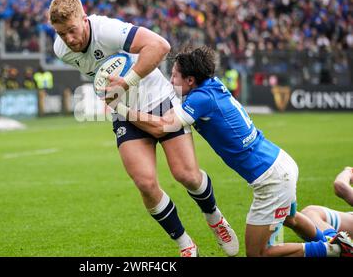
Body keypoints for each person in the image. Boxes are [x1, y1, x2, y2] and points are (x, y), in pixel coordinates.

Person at [111, 46, 353, 257]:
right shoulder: (212, 86)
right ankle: (334, 238)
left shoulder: (200, 100)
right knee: (290, 218)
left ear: (190, 80)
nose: (170, 81)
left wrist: (122, 108)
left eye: (174, 76)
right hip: (280, 162)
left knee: (258, 253)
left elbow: (162, 126)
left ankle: (332, 249)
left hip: (271, 179)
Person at [48, 0, 239, 257]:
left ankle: (214, 217)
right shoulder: (61, 50)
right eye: (61, 33)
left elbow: (160, 46)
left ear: (84, 18)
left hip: (159, 100)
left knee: (187, 175)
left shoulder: (108, 31)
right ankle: (185, 244)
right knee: (145, 183)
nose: (68, 39)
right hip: (125, 113)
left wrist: (126, 82)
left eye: (72, 30)